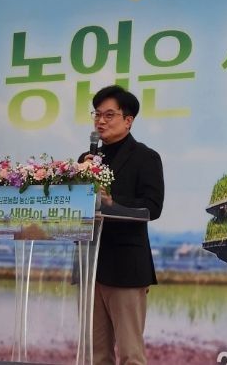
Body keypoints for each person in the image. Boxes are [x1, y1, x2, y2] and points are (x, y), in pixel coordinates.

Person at [80, 85, 164, 365]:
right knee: (96, 354)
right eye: (97, 115)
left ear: (128, 120)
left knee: (130, 354)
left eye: (109, 115)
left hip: (126, 267)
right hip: (91, 265)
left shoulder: (145, 157)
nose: (100, 121)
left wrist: (112, 201)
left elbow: (152, 207)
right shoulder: (87, 160)